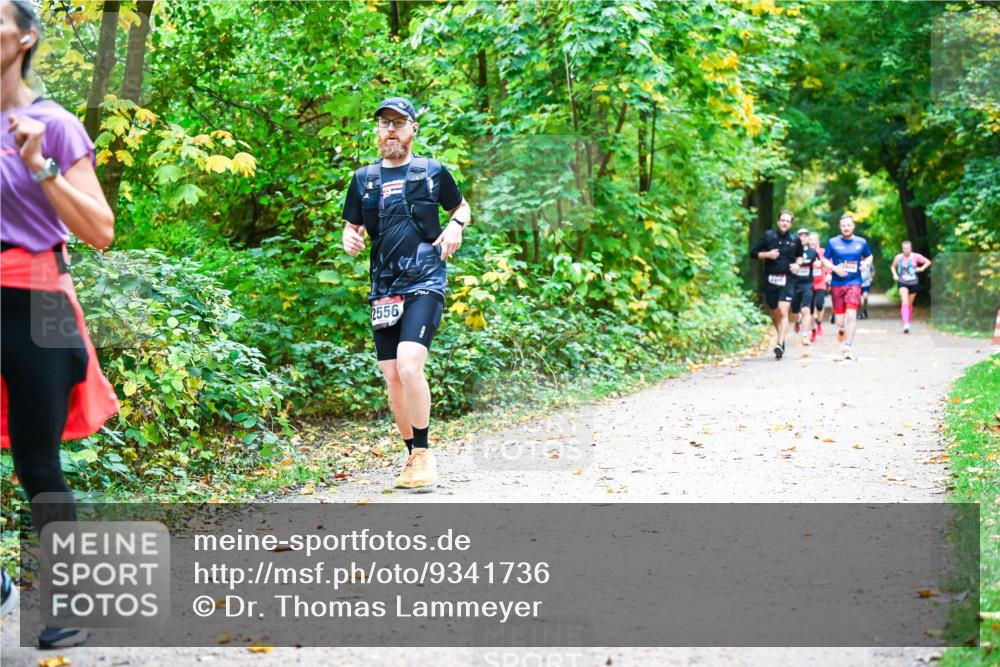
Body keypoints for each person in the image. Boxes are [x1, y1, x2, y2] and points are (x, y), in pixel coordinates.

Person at [1, 0, 119, 648]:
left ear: (26, 39)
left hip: (41, 294)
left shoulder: (57, 125)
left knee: (38, 461)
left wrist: (41, 167)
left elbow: (100, 230)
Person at [341, 97, 470, 489]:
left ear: (413, 128)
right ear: (378, 132)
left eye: (398, 122)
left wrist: (455, 227)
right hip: (384, 289)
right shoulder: (364, 179)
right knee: (393, 376)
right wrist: (350, 237)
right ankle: (412, 454)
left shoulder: (431, 172)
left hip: (425, 281)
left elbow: (461, 207)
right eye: (384, 124)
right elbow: (352, 227)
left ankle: (425, 453)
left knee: (410, 364)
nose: (390, 130)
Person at [750, 210, 803, 360]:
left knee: (783, 310)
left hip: (788, 278)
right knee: (774, 312)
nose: (785, 223)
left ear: (791, 224)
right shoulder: (769, 236)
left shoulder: (795, 239)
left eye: (788, 221)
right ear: (778, 221)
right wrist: (767, 255)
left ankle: (780, 344)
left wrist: (797, 265)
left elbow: (800, 256)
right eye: (783, 220)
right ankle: (781, 336)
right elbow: (753, 253)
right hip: (771, 279)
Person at [822, 215, 873, 359]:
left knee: (851, 315)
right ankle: (842, 330)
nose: (846, 228)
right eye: (843, 225)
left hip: (854, 283)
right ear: (840, 227)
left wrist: (866, 264)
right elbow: (824, 259)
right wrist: (834, 268)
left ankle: (847, 346)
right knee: (839, 320)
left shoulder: (861, 242)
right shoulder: (833, 242)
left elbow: (869, 256)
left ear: (853, 226)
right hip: (837, 284)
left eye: (848, 225)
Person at [890, 240, 931, 334]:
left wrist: (922, 268)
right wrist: (895, 274)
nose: (906, 250)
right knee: (904, 302)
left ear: (911, 248)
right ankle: (906, 324)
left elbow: (928, 262)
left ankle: (907, 320)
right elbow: (892, 267)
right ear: (902, 248)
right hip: (902, 282)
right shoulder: (898, 257)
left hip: (913, 282)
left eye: (908, 248)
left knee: (909, 304)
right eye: (904, 248)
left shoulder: (916, 256)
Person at [790, 227, 818, 346]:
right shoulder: (792, 250)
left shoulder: (812, 252)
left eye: (805, 235)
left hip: (807, 285)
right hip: (794, 285)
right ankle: (797, 320)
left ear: (808, 238)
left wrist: (818, 263)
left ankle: (805, 335)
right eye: (800, 235)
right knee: (795, 310)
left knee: (806, 310)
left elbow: (818, 261)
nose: (803, 238)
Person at [808, 232, 830, 343]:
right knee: (811, 309)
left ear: (818, 241)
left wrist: (828, 275)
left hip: (821, 282)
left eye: (814, 240)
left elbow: (829, 264)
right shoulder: (805, 252)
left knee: (820, 305)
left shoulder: (823, 252)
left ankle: (819, 323)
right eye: (810, 239)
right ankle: (813, 331)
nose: (812, 242)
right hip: (809, 284)